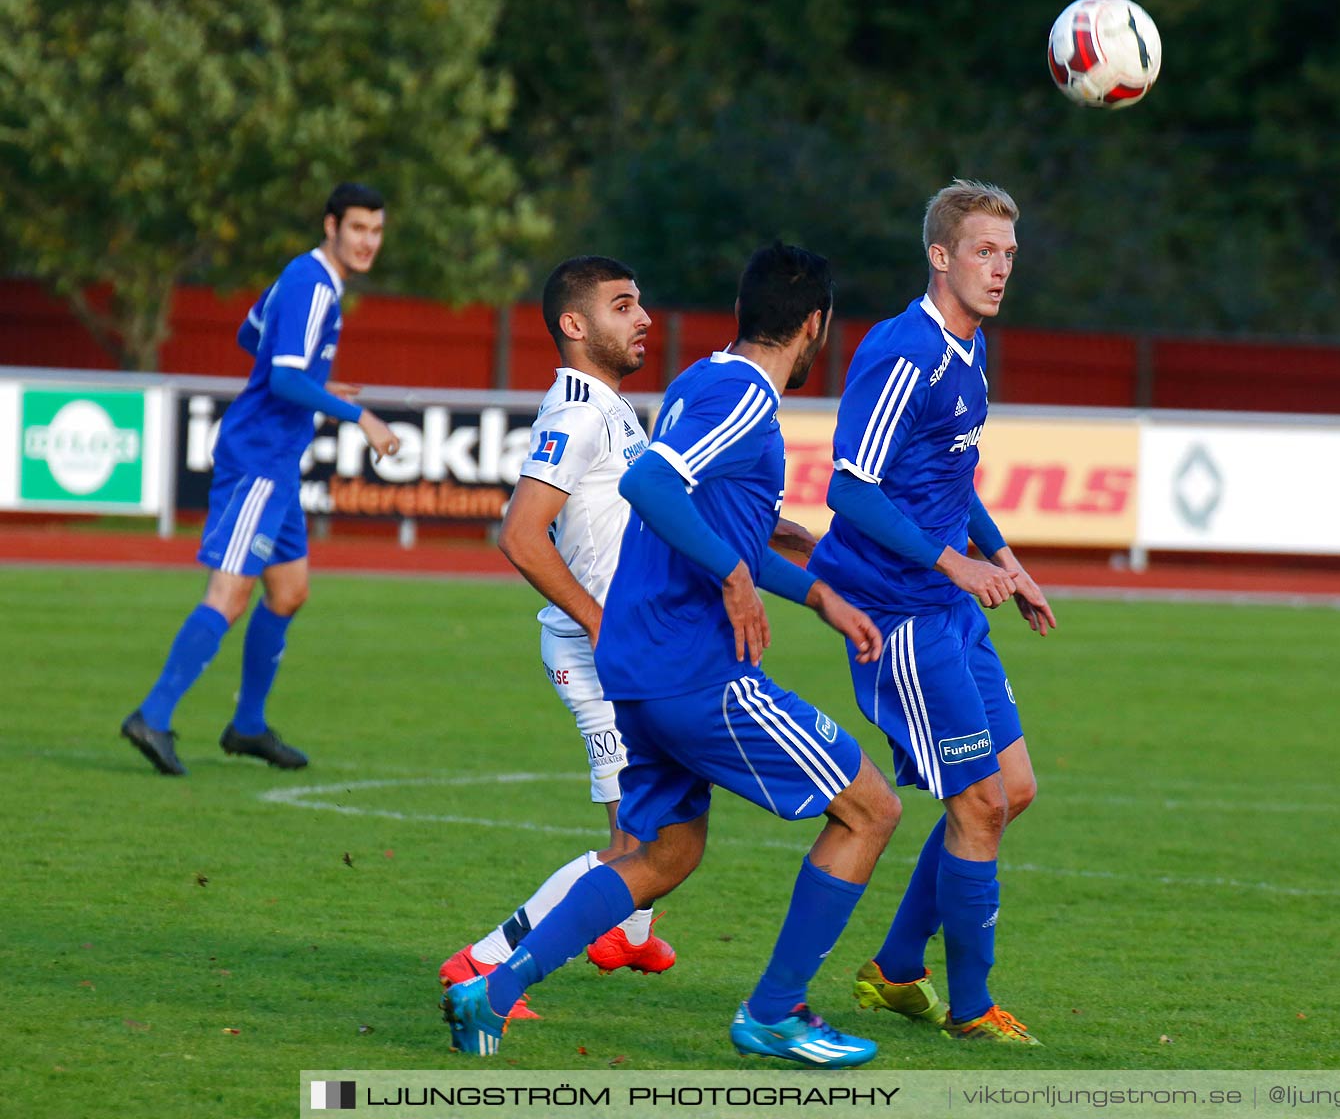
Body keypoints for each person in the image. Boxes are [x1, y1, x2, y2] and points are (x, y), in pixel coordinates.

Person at [443, 242, 901, 1066]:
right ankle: (776, 1012)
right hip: (697, 671)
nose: (643, 317)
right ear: (816, 324)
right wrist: (733, 574)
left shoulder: (697, 380)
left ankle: (491, 990)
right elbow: (648, 488)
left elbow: (707, 526)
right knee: (872, 810)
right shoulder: (742, 397)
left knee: (665, 853)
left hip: (644, 670)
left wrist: (816, 592)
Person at [807, 179, 1056, 1044]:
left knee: (1007, 792)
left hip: (950, 602)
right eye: (984, 252)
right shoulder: (902, 351)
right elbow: (848, 487)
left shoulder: (969, 348)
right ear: (941, 255)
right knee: (977, 803)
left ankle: (897, 968)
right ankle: (971, 1007)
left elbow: (953, 480)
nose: (1000, 269)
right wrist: (954, 561)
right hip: (898, 615)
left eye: (1010, 255)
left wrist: (1007, 563)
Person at [436, 257, 675, 1019]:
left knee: (652, 825)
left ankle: (627, 932)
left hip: (625, 648)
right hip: (594, 652)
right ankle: (482, 962)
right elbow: (521, 535)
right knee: (639, 846)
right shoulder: (575, 415)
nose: (643, 318)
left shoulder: (611, 408)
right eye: (623, 305)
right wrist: (604, 624)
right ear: (576, 325)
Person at [119, 182, 400, 776]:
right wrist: (361, 416)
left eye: (376, 230)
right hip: (257, 460)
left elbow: (251, 334)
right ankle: (153, 714)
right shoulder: (314, 284)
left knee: (289, 591)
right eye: (357, 228)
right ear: (330, 226)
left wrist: (319, 384)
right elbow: (282, 380)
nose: (368, 241)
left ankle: (247, 727)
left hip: (277, 464)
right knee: (230, 594)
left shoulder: (304, 278)